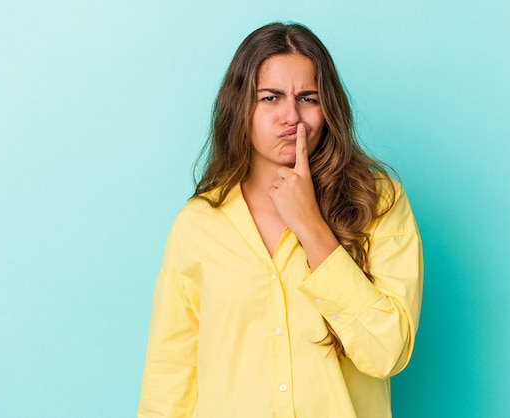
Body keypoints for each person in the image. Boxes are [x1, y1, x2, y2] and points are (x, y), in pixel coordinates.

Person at [137, 22, 423, 418]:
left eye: (308, 98)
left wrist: (312, 227)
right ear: (240, 106)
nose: (292, 117)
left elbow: (387, 352)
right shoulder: (197, 224)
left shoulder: (378, 202)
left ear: (328, 108)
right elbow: (168, 378)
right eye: (271, 97)